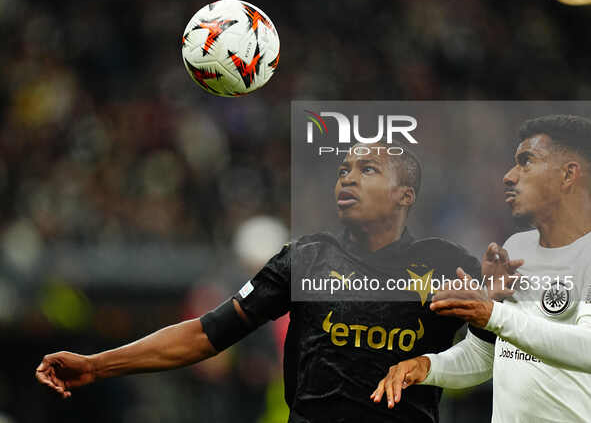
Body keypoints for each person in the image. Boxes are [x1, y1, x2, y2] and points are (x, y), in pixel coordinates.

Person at [36, 141, 486, 423]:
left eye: (367, 170)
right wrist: (97, 365)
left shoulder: (448, 265)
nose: (347, 176)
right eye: (344, 168)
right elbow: (205, 334)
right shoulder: (306, 258)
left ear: (404, 195)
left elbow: (500, 352)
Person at [372, 115, 591, 422]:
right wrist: (428, 366)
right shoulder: (517, 249)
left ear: (568, 174)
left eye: (526, 162)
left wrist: (492, 313)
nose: (509, 176)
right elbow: (487, 356)